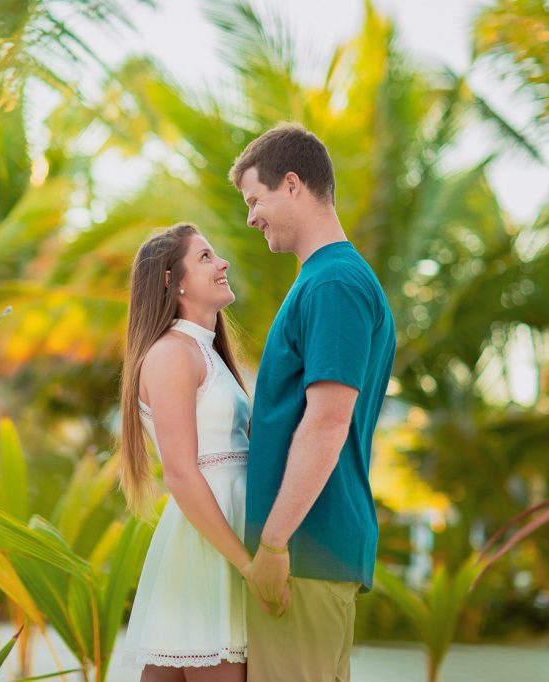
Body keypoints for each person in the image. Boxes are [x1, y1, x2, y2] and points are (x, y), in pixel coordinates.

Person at [229, 124, 396, 682]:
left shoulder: (333, 284)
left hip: (302, 552)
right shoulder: (326, 280)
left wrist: (274, 545)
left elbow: (327, 422)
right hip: (311, 553)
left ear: (293, 184)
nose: (250, 218)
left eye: (255, 199)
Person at [118, 223, 253, 682]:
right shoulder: (173, 353)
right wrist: (247, 564)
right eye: (205, 257)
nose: (223, 263)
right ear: (172, 281)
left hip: (219, 540)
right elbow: (179, 472)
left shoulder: (205, 351)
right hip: (208, 548)